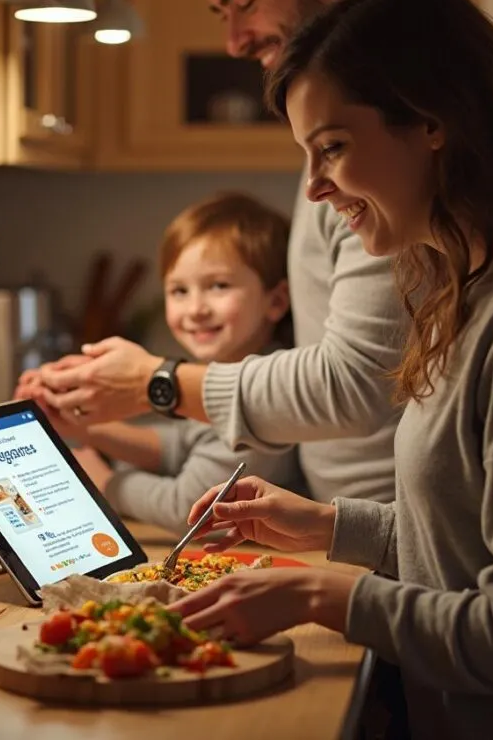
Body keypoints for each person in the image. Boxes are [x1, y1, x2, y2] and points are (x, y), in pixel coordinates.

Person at [164, 0, 493, 740]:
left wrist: (316, 598)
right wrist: (328, 526)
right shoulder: (485, 283)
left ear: (432, 120)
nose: (316, 189)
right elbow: (471, 547)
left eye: (331, 147)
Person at [20, 0, 405, 505]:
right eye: (221, 13)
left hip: (390, 530)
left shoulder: (391, 136)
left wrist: (154, 381)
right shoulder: (341, 125)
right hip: (357, 526)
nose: (232, 41)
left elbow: (354, 385)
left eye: (245, 1)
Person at [18, 192, 302, 534]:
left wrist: (101, 479)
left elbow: (189, 508)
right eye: (179, 291)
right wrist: (80, 426)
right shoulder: (221, 372)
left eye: (218, 286)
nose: (196, 308)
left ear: (276, 301)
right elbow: (178, 447)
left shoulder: (266, 388)